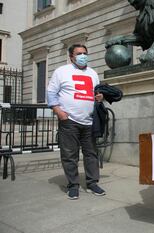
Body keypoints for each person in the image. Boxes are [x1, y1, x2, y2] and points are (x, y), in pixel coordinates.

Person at [47, 44, 105, 200]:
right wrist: (59, 112)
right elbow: (51, 93)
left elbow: (96, 94)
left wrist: (99, 97)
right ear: (71, 57)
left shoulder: (93, 73)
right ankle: (73, 185)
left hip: (89, 121)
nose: (83, 56)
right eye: (79, 53)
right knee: (69, 155)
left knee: (91, 154)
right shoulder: (61, 71)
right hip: (69, 121)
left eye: (85, 53)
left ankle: (92, 183)